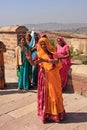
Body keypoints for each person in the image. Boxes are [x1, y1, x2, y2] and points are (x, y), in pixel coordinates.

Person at [22, 37, 66, 123]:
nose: (43, 45)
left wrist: (44, 60)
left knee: (54, 93)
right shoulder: (39, 54)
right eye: (41, 44)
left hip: (53, 76)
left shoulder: (53, 52)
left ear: (47, 44)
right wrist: (29, 58)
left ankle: (56, 114)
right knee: (45, 94)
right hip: (43, 76)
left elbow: (56, 61)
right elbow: (33, 63)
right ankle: (46, 113)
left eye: (44, 44)